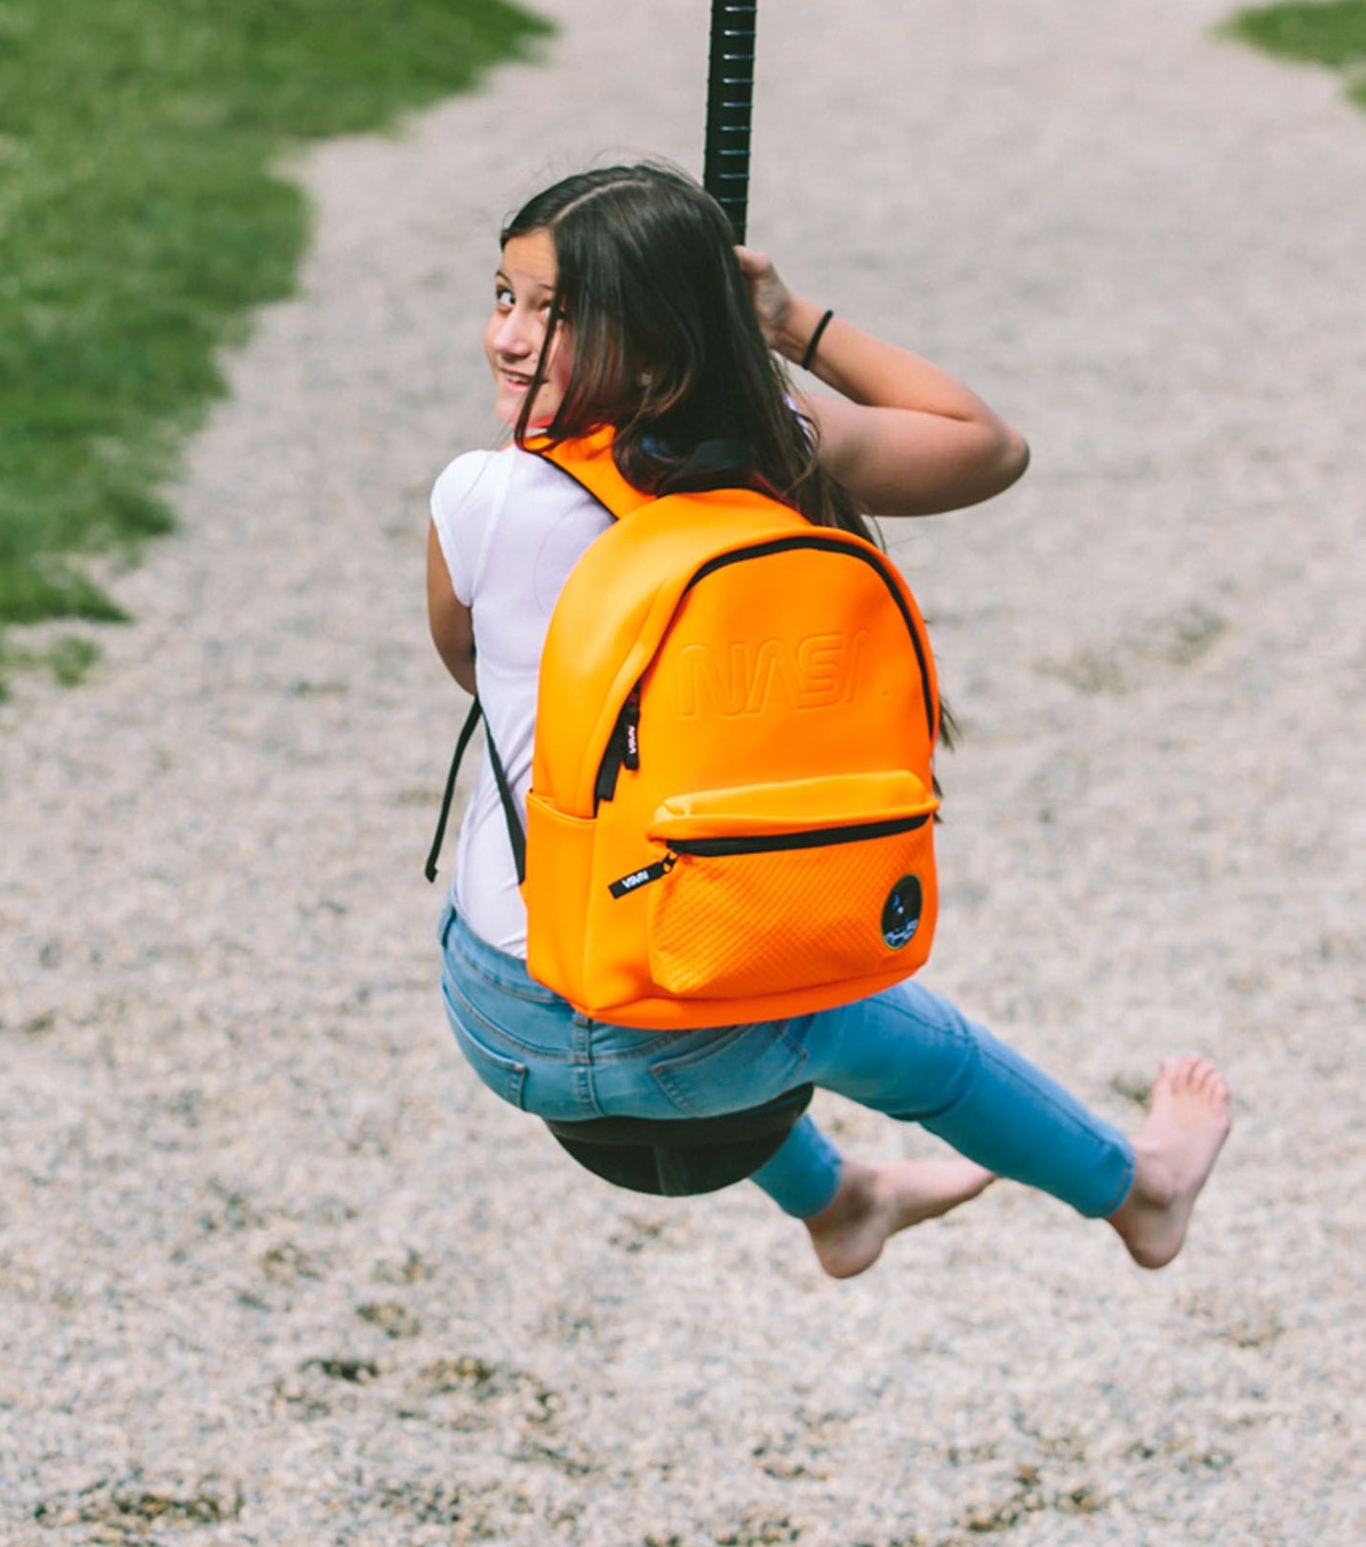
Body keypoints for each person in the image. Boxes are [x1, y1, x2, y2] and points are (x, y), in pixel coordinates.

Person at [426, 162, 1229, 1280]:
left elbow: (465, 660)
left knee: (664, 903)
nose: (507, 336)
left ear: (655, 344)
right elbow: (986, 444)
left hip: (496, 1016)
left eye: (551, 314)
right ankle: (1137, 1192)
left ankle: (836, 1193)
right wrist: (792, 319)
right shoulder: (785, 452)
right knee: (879, 1019)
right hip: (684, 1050)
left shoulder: (478, 494)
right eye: (503, 297)